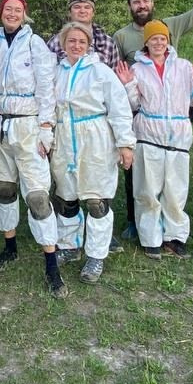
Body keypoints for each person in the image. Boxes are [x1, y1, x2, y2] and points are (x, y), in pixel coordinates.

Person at [113, 0, 193, 243]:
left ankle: (171, 230)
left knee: (172, 178)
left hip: (173, 110)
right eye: (136, 3)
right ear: (130, 8)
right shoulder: (122, 36)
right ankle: (136, 222)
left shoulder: (169, 26)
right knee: (138, 174)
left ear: (152, 3)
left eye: (145, 1)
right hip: (138, 111)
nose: (141, 6)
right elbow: (120, 73)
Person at [51, 21, 137, 289]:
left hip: (96, 138)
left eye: (81, 42)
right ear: (63, 44)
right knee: (67, 197)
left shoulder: (101, 72)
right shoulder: (56, 72)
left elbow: (120, 108)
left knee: (96, 200)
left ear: (89, 45)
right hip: (65, 139)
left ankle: (96, 255)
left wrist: (125, 144)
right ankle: (69, 245)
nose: (76, 45)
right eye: (71, 41)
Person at [117, 21, 193, 260]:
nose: (158, 43)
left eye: (162, 38)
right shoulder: (138, 69)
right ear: (146, 42)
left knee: (175, 191)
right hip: (148, 137)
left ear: (168, 40)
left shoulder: (183, 67)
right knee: (148, 190)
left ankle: (175, 237)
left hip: (178, 137)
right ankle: (150, 239)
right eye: (153, 39)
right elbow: (133, 105)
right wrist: (128, 84)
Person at [0, 0, 58, 273]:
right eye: (7, 9)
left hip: (28, 123)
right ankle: (9, 246)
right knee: (4, 187)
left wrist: (46, 127)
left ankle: (51, 260)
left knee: (37, 196)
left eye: (18, 10)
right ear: (0, 12)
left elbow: (47, 88)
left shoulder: (35, 44)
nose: (12, 13)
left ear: (24, 14)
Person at [45, 0, 120, 67]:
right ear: (69, 12)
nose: (82, 11)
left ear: (93, 12)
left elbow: (115, 75)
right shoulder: (55, 42)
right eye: (77, 7)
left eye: (87, 7)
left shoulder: (108, 43)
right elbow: (47, 74)